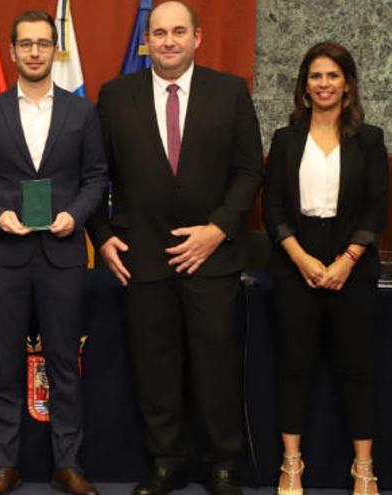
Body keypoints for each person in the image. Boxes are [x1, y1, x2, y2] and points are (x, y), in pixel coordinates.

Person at [87, 2, 262, 494]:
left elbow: (249, 171)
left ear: (197, 37)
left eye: (178, 32)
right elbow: (94, 176)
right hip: (142, 258)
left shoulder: (229, 92)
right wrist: (101, 238)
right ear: (147, 40)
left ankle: (223, 463)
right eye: (158, 32)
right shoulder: (116, 95)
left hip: (213, 257)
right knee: (155, 367)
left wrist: (217, 230)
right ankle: (166, 461)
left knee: (216, 367)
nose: (168, 41)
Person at [0, 9, 108, 495]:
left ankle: (67, 463)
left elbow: (95, 179)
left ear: (54, 49)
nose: (34, 52)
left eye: (43, 44)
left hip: (63, 254)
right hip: (5, 254)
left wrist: (77, 214)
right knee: (2, 364)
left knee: (65, 364)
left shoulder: (82, 112)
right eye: (25, 44)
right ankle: (4, 464)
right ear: (11, 51)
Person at [262, 41, 387, 495]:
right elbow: (272, 207)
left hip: (351, 261)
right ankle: (291, 465)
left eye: (333, 75)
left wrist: (346, 261)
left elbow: (376, 210)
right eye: (316, 75)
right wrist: (300, 257)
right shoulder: (285, 138)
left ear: (348, 84)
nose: (324, 84)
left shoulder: (369, 139)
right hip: (296, 259)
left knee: (357, 368)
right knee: (295, 366)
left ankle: (364, 469)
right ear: (304, 85)